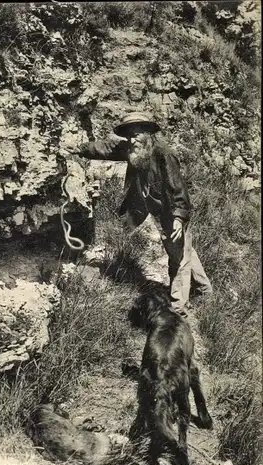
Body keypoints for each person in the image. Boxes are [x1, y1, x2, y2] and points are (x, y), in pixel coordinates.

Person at [68, 112, 212, 317]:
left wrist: (179, 218)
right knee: (183, 249)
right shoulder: (133, 150)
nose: (131, 139)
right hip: (155, 210)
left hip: (172, 211)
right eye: (129, 135)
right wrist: (80, 149)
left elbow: (178, 189)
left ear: (147, 134)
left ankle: (178, 307)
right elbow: (106, 148)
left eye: (136, 135)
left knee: (178, 257)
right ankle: (205, 290)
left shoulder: (164, 154)